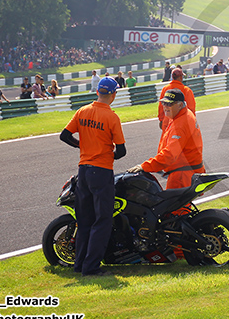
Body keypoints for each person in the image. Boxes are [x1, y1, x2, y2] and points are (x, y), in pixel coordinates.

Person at [59, 77, 126, 277]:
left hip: (83, 171)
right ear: (113, 95)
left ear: (97, 91)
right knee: (103, 220)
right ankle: (91, 268)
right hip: (102, 170)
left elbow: (64, 135)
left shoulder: (82, 111)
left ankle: (79, 264)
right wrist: (106, 154)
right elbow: (121, 151)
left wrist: (82, 145)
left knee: (85, 220)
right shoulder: (111, 117)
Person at [127, 88, 205, 191]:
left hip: (182, 175)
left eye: (169, 104)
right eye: (164, 103)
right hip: (186, 171)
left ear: (180, 104)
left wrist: (145, 166)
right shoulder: (181, 114)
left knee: (174, 207)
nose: (165, 107)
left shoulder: (181, 124)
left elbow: (170, 155)